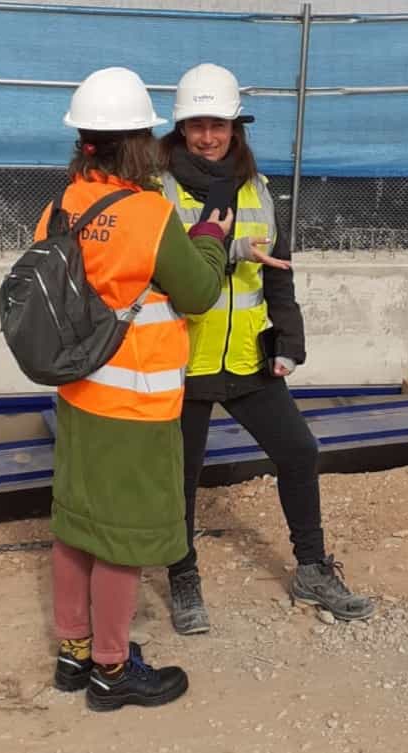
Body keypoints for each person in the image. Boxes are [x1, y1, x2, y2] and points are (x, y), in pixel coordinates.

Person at [40, 67, 233, 711]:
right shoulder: (149, 214)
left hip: (77, 395)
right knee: (122, 537)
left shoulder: (62, 203)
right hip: (136, 400)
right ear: (139, 143)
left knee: (76, 524)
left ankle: (73, 653)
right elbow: (199, 292)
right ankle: (112, 672)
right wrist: (209, 238)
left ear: (84, 141)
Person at [158, 63, 375, 635]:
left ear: (236, 128)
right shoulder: (159, 190)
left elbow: (278, 274)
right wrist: (229, 254)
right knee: (179, 477)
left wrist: (290, 341)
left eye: (218, 125)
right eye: (197, 125)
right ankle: (183, 580)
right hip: (182, 357)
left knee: (299, 452)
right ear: (181, 129)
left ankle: (311, 569)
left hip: (249, 357)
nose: (208, 136)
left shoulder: (257, 189)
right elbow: (164, 271)